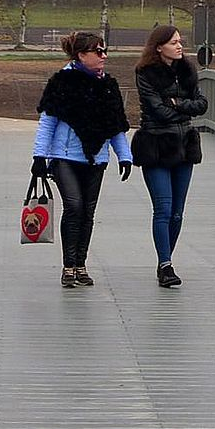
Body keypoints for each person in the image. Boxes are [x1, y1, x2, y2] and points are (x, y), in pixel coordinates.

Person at [31, 31, 132, 288]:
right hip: (64, 157)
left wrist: (125, 155)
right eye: (98, 51)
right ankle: (68, 265)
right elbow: (48, 121)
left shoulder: (108, 85)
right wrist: (39, 157)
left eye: (104, 50)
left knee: (88, 211)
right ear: (81, 55)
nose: (104, 56)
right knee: (74, 206)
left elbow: (116, 125)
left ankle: (80, 264)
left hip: (96, 158)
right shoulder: (62, 82)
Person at [132, 24, 208, 288]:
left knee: (177, 212)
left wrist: (177, 105)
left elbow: (202, 104)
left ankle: (166, 259)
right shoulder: (145, 73)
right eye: (174, 42)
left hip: (184, 146)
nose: (179, 46)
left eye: (180, 41)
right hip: (156, 146)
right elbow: (158, 111)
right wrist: (183, 108)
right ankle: (165, 265)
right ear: (159, 46)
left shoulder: (188, 71)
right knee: (163, 209)